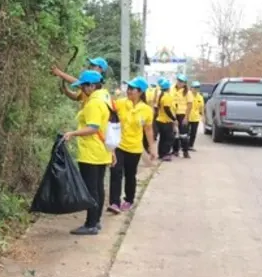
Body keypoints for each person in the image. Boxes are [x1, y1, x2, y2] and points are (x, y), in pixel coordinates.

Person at [62, 70, 113, 235]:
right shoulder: (105, 98)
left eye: (83, 87)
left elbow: (93, 127)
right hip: (101, 150)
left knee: (91, 188)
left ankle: (91, 224)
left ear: (92, 86)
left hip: (91, 151)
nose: (82, 90)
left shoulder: (93, 103)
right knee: (98, 187)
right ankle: (96, 221)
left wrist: (72, 133)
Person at [108, 77, 157, 213]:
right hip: (119, 145)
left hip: (134, 148)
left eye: (132, 89)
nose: (129, 91)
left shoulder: (146, 110)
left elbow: (148, 129)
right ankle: (114, 203)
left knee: (130, 175)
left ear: (140, 92)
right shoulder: (120, 103)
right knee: (115, 171)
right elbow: (107, 107)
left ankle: (129, 200)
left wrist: (152, 148)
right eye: (128, 88)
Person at [170, 74, 194, 158]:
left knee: (183, 135)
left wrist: (186, 117)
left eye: (182, 81)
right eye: (178, 80)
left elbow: (190, 105)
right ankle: (175, 150)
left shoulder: (188, 92)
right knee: (174, 134)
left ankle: (185, 151)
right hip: (173, 114)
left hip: (182, 115)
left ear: (185, 83)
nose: (179, 83)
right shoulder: (171, 89)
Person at [155, 78, 177, 161]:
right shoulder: (167, 96)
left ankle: (161, 153)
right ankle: (165, 154)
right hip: (165, 121)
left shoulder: (160, 95)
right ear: (168, 88)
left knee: (163, 139)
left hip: (160, 120)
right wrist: (174, 119)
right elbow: (167, 109)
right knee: (169, 138)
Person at [188, 81, 204, 151]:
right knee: (185, 132)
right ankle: (184, 146)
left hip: (196, 118)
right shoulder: (187, 95)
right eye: (195, 87)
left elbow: (202, 107)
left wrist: (203, 116)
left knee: (193, 133)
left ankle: (191, 146)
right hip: (187, 117)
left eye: (197, 88)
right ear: (191, 88)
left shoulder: (200, 97)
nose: (196, 89)